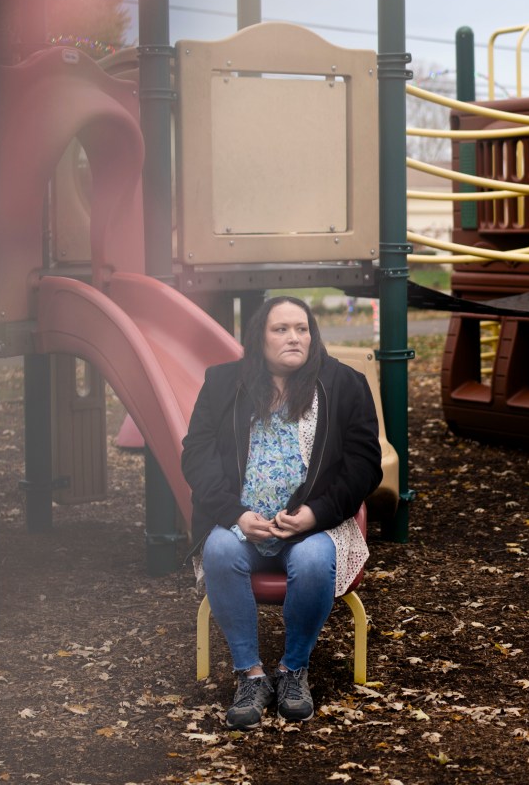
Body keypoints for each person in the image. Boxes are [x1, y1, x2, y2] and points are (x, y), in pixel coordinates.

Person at [181, 295, 382, 730]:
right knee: (218, 551)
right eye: (281, 329)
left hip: (313, 527)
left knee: (312, 561)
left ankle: (293, 671)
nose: (294, 337)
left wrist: (315, 514)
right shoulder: (222, 383)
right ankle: (250, 675)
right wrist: (236, 515)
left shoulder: (344, 384)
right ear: (259, 338)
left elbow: (364, 465)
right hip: (242, 526)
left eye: (302, 328)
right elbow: (196, 455)